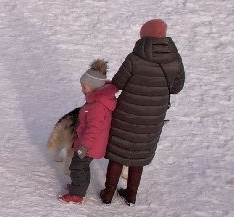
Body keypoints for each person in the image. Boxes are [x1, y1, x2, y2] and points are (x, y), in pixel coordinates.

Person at [101, 19, 185, 206]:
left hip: (126, 114)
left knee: (117, 155)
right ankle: (131, 195)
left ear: (144, 35)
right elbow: (177, 87)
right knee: (138, 158)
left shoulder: (135, 57)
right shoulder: (175, 59)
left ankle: (108, 194)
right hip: (153, 117)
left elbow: (118, 82)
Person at [60, 59, 116, 204]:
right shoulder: (95, 100)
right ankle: (78, 186)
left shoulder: (97, 106)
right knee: (80, 166)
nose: (82, 89)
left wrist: (84, 147)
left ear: (95, 87)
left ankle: (77, 194)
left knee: (78, 167)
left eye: (84, 87)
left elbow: (93, 129)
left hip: (89, 145)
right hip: (88, 143)